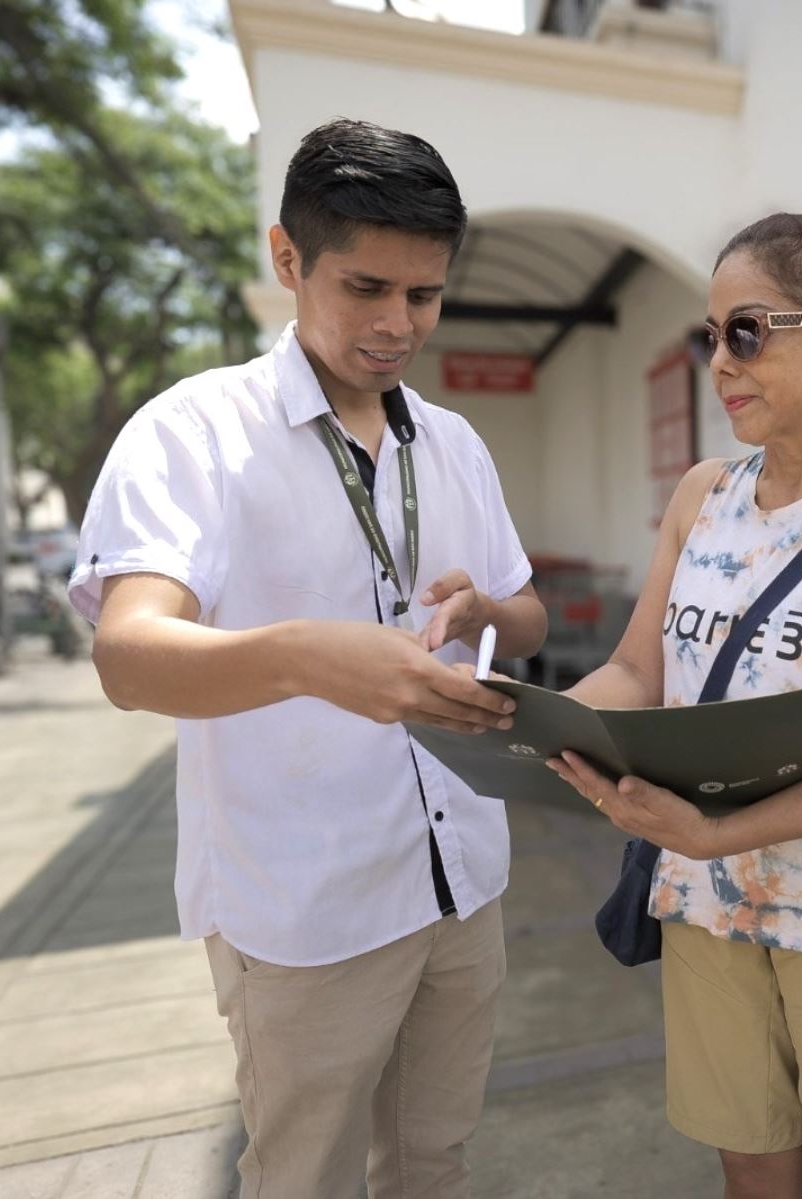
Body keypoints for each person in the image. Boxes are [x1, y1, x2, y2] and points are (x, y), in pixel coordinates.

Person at [71, 118, 547, 1195]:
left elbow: (525, 616)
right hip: (304, 904)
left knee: (434, 1159)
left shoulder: (454, 443)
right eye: (366, 287)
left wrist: (483, 606)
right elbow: (129, 653)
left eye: (424, 297)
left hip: (462, 878)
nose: (397, 325)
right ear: (287, 258)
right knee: (306, 1174)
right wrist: (305, 658)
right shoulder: (195, 431)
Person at [547, 213, 802, 1199]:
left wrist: (708, 830)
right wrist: (530, 716)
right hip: (709, 904)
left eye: (749, 330)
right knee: (752, 1165)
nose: (720, 361)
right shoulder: (703, 494)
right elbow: (638, 672)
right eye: (710, 334)